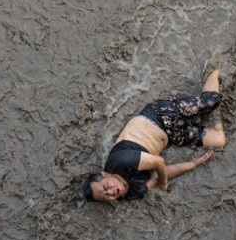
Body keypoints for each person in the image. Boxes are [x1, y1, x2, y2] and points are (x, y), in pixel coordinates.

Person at [82, 67, 227, 202]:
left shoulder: (121, 161)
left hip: (160, 115)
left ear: (105, 174)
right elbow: (155, 177)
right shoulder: (127, 193)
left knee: (212, 100)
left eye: (106, 187)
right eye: (106, 197)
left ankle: (216, 68)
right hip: (172, 137)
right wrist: (190, 164)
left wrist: (164, 184)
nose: (111, 193)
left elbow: (158, 162)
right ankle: (216, 114)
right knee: (219, 140)